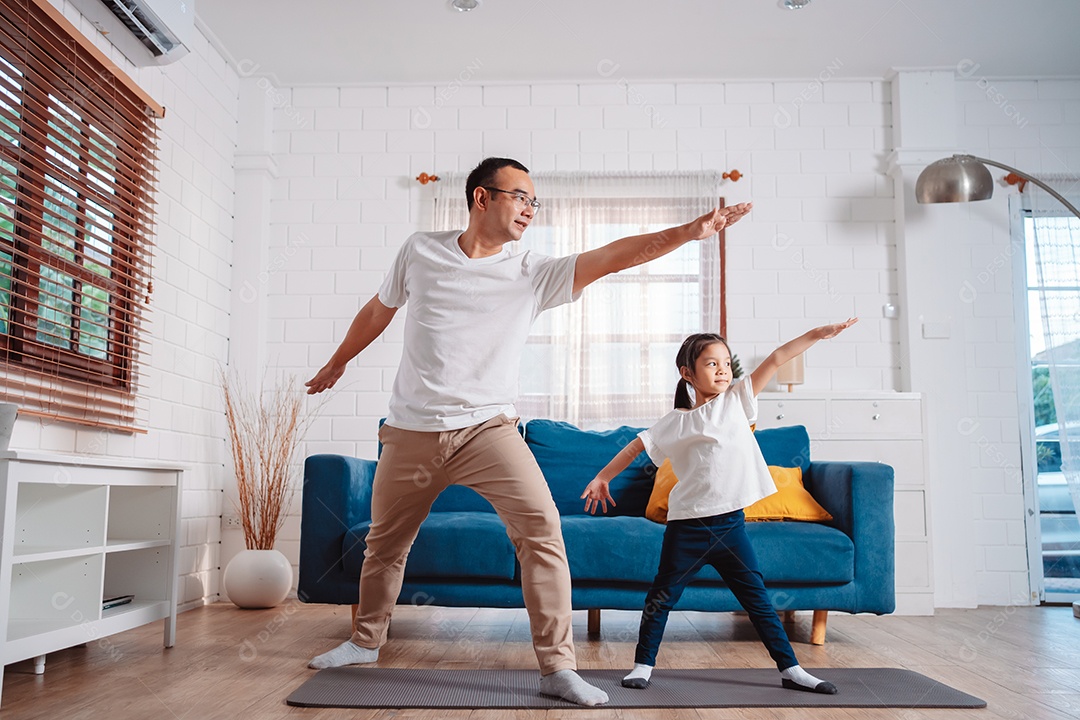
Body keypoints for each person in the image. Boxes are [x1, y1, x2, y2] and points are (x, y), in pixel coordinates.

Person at [304, 156, 752, 707]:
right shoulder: (419, 250)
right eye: (520, 197)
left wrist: (691, 231)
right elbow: (379, 310)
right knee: (384, 546)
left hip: (488, 431)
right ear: (481, 198)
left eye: (534, 201)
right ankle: (365, 641)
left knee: (542, 533)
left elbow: (616, 256)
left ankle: (558, 668)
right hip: (410, 430)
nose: (530, 210)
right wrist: (338, 361)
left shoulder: (533, 271)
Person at [581, 319, 858, 694]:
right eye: (712, 364)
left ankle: (792, 670)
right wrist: (603, 477)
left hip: (730, 527)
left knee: (758, 601)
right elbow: (636, 446)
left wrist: (815, 335)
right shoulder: (675, 422)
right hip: (687, 528)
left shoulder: (737, 401)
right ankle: (643, 665)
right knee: (661, 599)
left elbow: (777, 358)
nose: (723, 370)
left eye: (726, 363)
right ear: (687, 374)